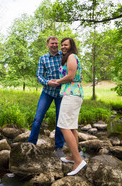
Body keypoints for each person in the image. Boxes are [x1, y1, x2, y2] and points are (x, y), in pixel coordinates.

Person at [52, 37, 86, 175]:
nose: (63, 47)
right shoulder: (71, 58)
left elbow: (71, 76)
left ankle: (78, 160)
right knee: (71, 127)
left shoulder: (71, 56)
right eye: (62, 45)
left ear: (71, 46)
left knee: (64, 126)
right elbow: (76, 75)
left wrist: (57, 81)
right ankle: (74, 156)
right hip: (73, 93)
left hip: (71, 94)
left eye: (66, 45)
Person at [28, 36, 64, 157]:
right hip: (47, 92)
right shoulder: (43, 58)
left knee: (60, 120)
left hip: (61, 92)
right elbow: (39, 75)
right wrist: (47, 82)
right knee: (38, 119)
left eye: (56, 43)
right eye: (52, 43)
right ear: (47, 45)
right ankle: (31, 144)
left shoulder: (64, 56)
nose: (55, 45)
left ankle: (59, 147)